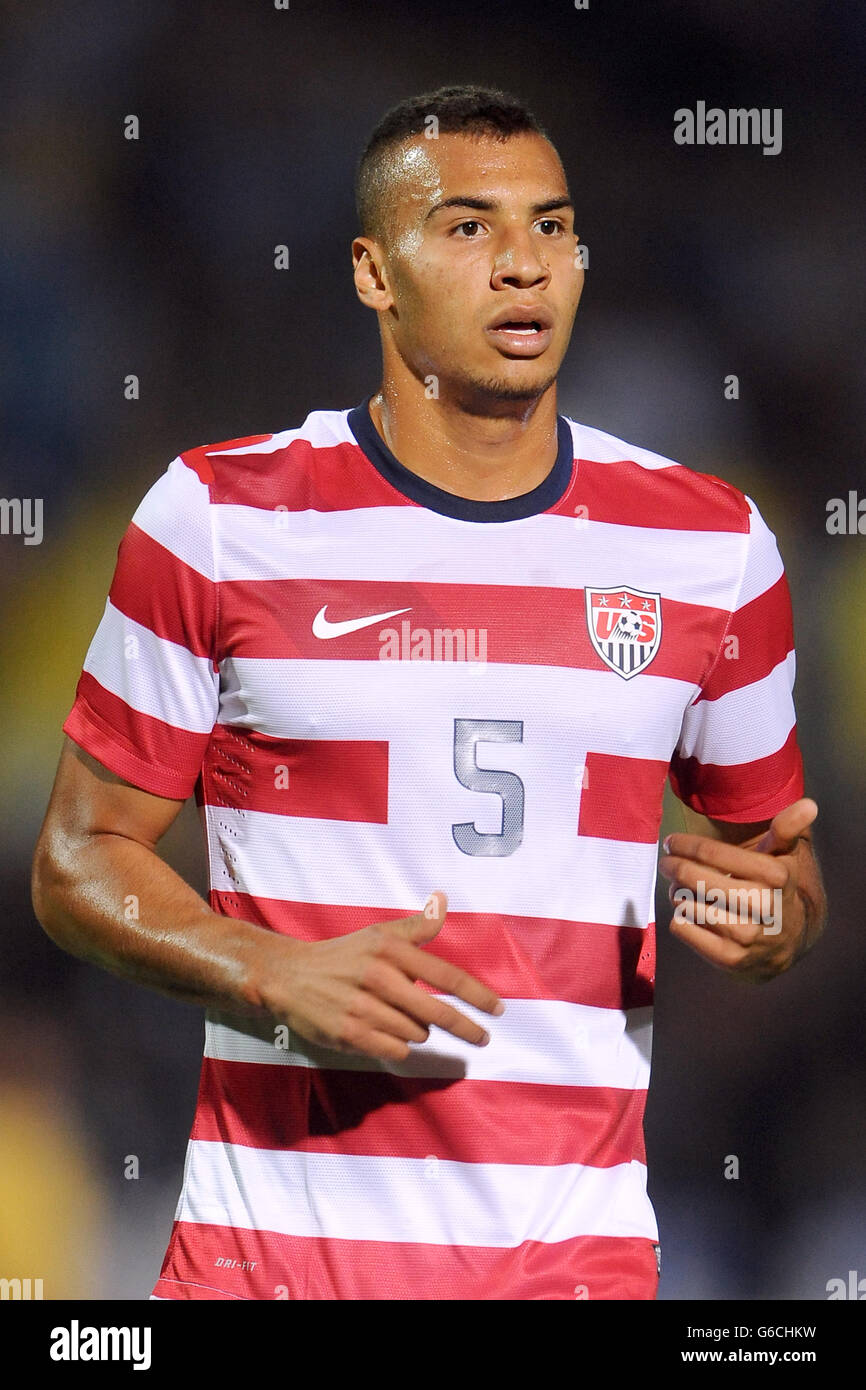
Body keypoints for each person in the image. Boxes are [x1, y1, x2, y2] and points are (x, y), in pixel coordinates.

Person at [31, 84, 827, 1301]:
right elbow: (77, 861)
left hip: (570, 1267)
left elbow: (777, 883)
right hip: (271, 1264)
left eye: (551, 227)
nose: (523, 267)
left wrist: (766, 922)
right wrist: (261, 969)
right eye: (468, 228)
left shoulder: (709, 547)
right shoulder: (219, 520)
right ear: (371, 270)